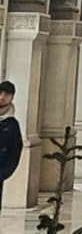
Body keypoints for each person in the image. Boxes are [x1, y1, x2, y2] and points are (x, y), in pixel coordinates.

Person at [0, 81, 22, 210]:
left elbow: (15, 151)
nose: (2, 97)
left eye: (6, 94)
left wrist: (3, 173)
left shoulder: (12, 124)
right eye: (0, 93)